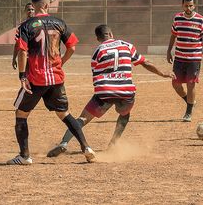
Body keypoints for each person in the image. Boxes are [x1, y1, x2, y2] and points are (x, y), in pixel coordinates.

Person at [46, 25, 175, 157]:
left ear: (98, 38)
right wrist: (162, 73)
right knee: (125, 114)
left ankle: (64, 143)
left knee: (83, 118)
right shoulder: (127, 45)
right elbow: (145, 62)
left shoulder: (98, 51)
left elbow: (96, 74)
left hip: (104, 92)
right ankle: (113, 143)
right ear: (111, 34)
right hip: (126, 93)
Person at [7, 0, 94, 165]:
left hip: (35, 78)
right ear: (47, 4)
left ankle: (24, 156)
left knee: (21, 114)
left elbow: (22, 52)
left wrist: (23, 76)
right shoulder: (59, 22)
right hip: (56, 78)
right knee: (64, 114)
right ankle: (86, 148)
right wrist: (60, 62)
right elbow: (72, 47)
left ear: (33, 5)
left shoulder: (26, 25)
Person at [166, 0, 203, 122]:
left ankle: (188, 111)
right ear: (182, 5)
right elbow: (173, 35)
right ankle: (189, 100)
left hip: (194, 58)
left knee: (191, 83)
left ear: (194, 6)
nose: (188, 8)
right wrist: (168, 51)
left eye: (191, 6)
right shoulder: (177, 18)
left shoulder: (200, 20)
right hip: (179, 58)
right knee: (175, 84)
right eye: (186, 5)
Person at [12, 2, 35, 70]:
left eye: (32, 9)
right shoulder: (22, 26)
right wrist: (14, 58)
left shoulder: (40, 24)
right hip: (26, 57)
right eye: (28, 10)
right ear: (25, 11)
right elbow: (17, 44)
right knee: (25, 79)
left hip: (37, 58)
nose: (30, 11)